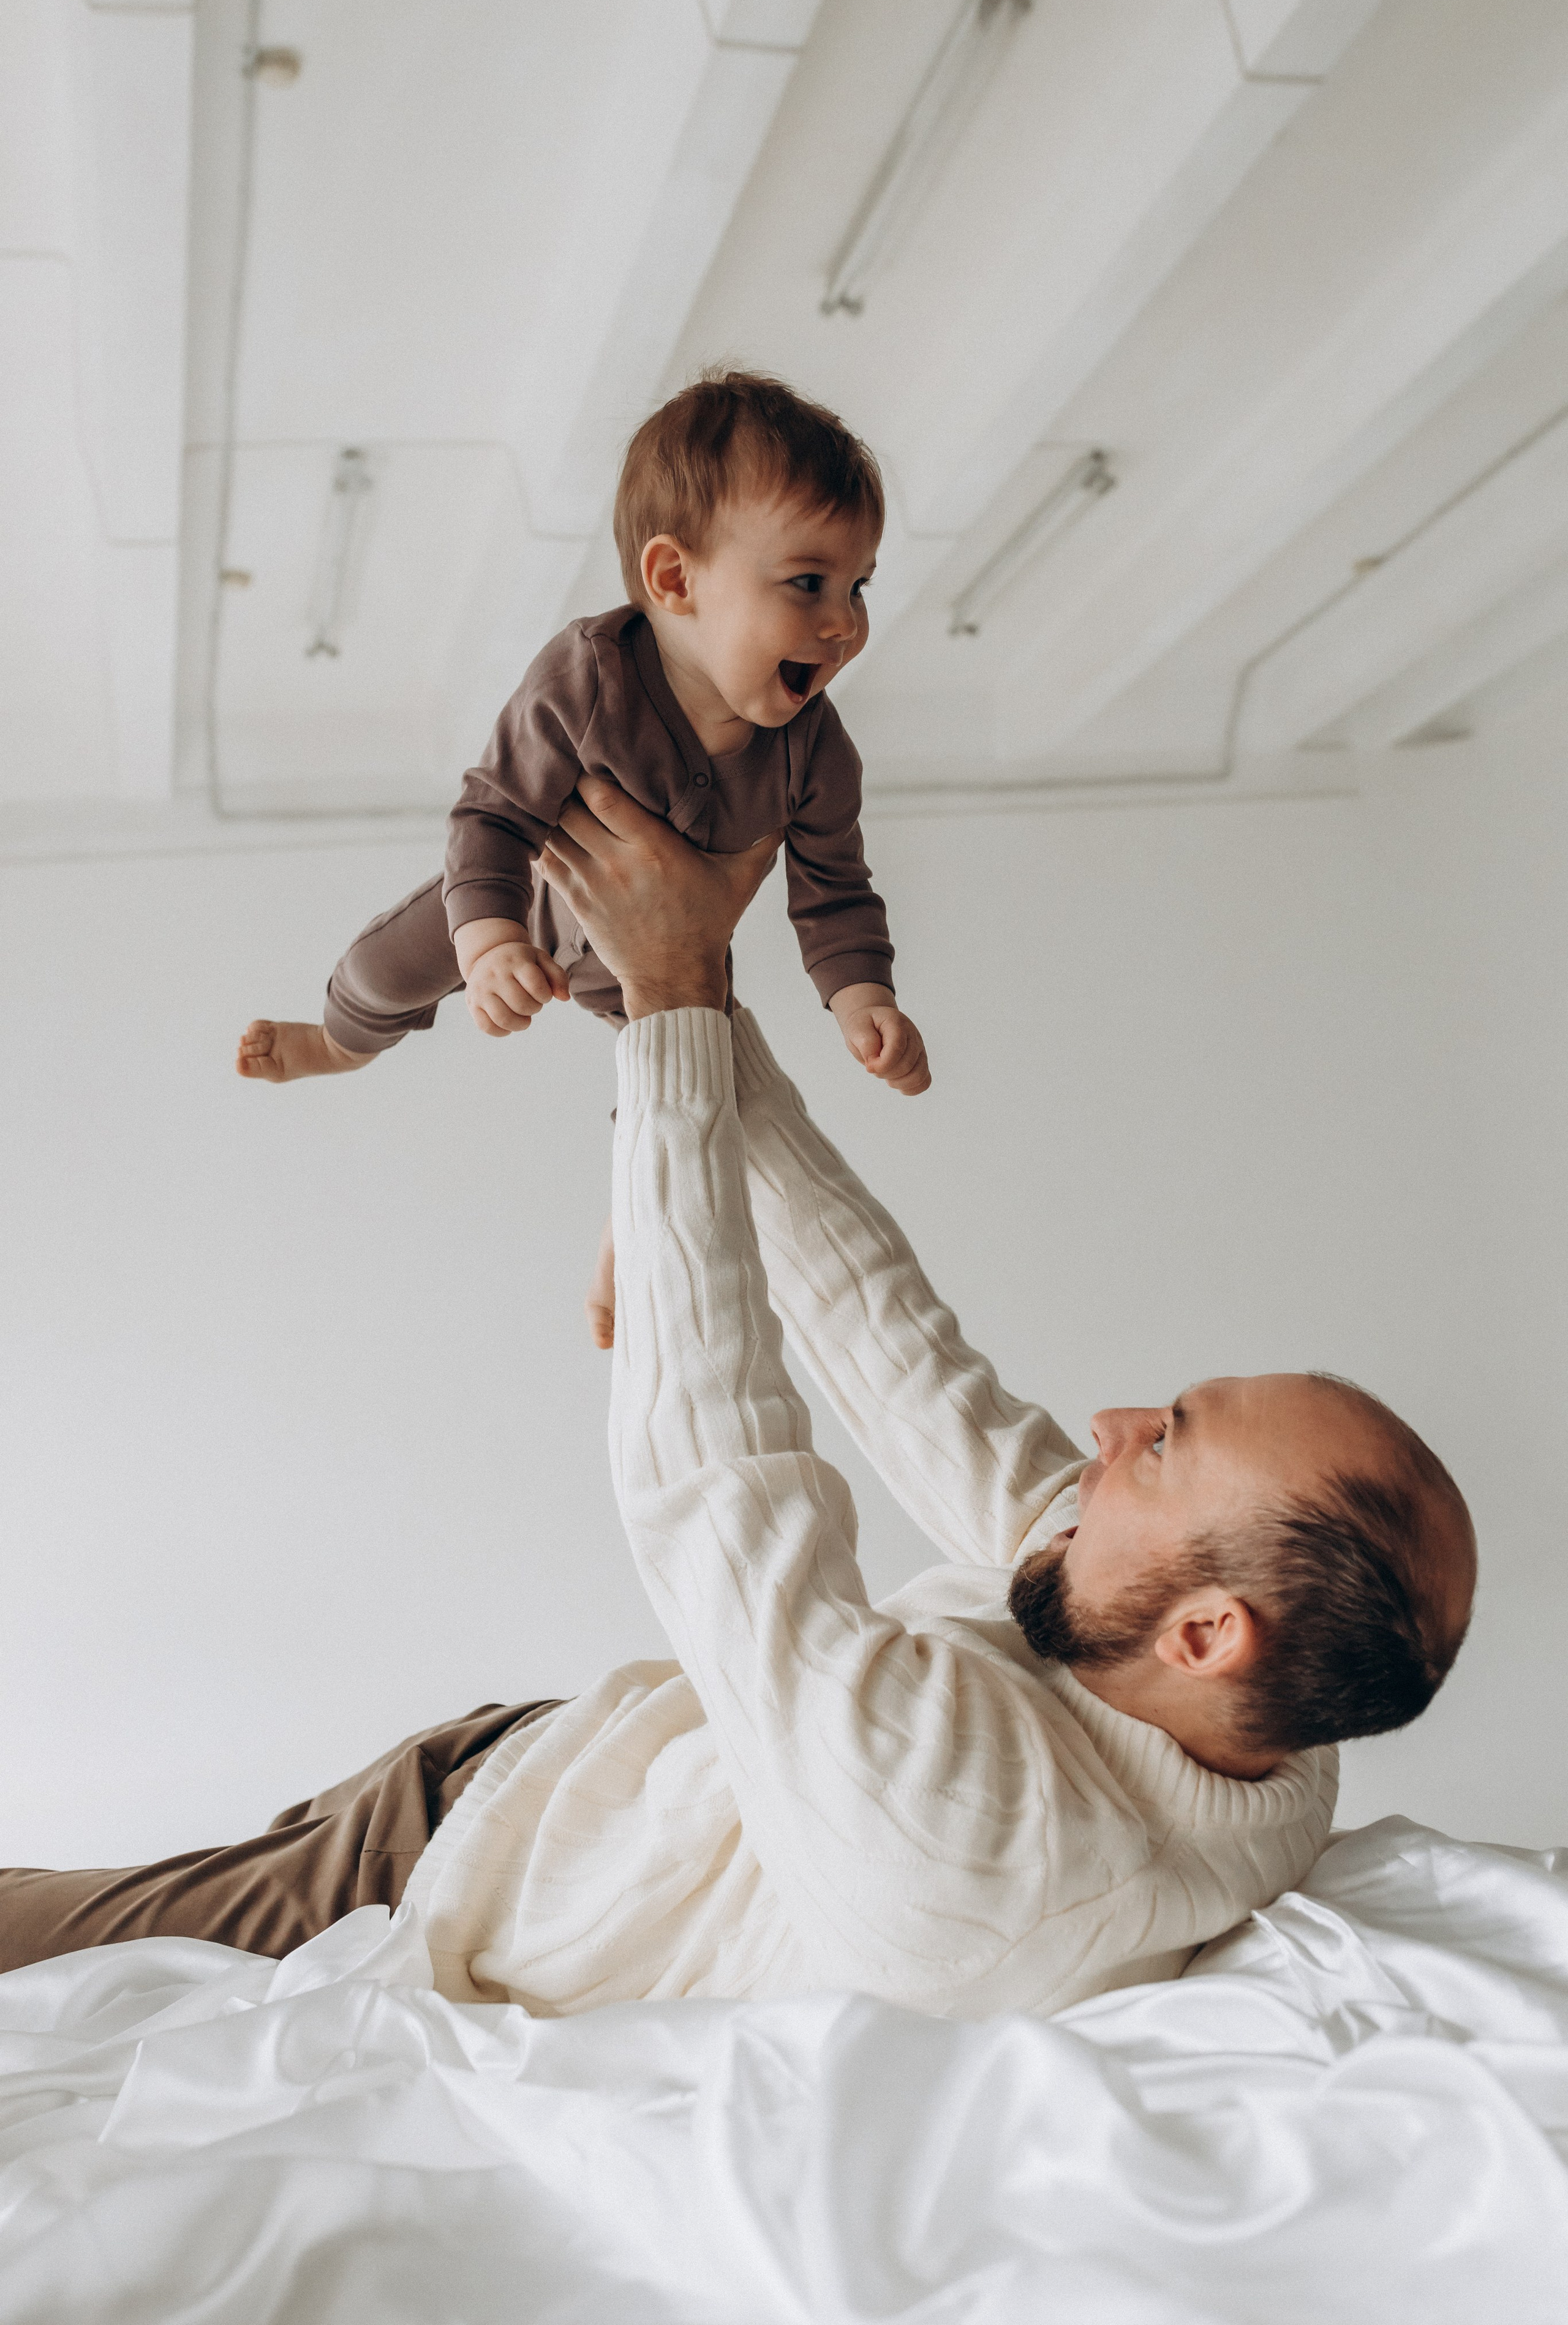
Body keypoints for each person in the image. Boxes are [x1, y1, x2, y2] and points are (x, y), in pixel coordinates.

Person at [0, 785, 1477, 2013]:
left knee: (38, 1935)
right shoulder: (1262, 1707)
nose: (1103, 1429)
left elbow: (718, 1488)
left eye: (1159, 1444)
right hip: (538, 1758)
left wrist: (670, 1013)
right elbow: (898, 1353)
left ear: (1208, 1629)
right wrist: (669, 1021)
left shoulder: (982, 1842)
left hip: (434, 1872)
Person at [234, 370, 930, 1344]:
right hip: (525, 902)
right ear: (675, 580)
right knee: (382, 966)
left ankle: (623, 1245)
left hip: (666, 963)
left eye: (858, 587)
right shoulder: (590, 676)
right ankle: (341, 1043)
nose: (844, 622)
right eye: (808, 583)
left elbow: (836, 889)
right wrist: (486, 945)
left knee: (690, 1096)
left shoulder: (816, 750)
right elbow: (493, 814)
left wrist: (867, 1001)